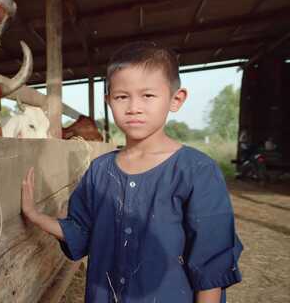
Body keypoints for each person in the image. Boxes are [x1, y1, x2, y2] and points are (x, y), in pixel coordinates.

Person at [21, 42, 242, 303]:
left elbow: (211, 263)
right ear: (109, 101)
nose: (133, 107)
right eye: (121, 96)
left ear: (176, 99)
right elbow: (80, 231)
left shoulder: (198, 172)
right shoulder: (99, 171)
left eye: (147, 95)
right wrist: (35, 216)